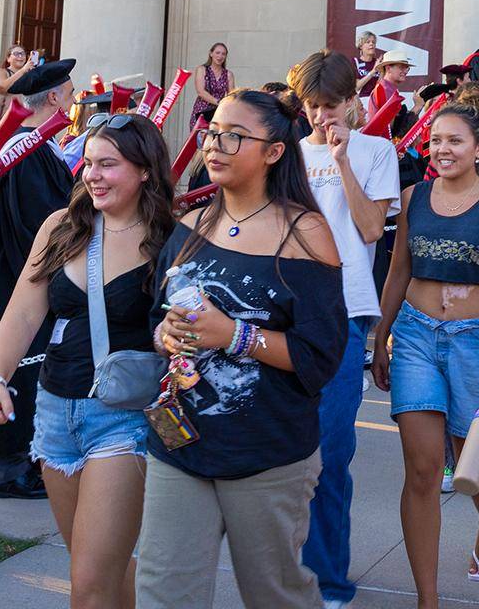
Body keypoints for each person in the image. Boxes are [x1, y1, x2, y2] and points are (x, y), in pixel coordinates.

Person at [138, 89, 346, 609]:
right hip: (179, 443)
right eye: (212, 132)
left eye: (234, 136)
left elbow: (319, 358)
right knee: (163, 593)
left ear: (274, 153)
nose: (215, 145)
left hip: (267, 455)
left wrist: (234, 335)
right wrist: (166, 335)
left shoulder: (306, 234)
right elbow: (155, 318)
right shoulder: (191, 223)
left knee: (274, 595)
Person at [0, 114, 176, 608]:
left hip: (125, 419)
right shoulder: (62, 226)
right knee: (96, 571)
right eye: (88, 162)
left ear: (145, 170)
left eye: (108, 164)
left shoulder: (172, 238)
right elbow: (23, 312)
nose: (93, 175)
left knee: (88, 583)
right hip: (53, 415)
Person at [371, 102, 479, 601]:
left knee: (472, 466)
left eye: (455, 141)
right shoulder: (414, 196)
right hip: (415, 337)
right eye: (436, 140)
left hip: (476, 342)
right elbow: (398, 271)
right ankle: (428, 596)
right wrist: (381, 336)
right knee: (420, 468)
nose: (442, 150)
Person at [289, 49, 400, 607]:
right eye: (311, 106)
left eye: (330, 105)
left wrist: (344, 160)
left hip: (346, 310)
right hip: (285, 309)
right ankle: (287, 570)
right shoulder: (285, 154)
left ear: (354, 101)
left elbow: (371, 228)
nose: (320, 116)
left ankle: (329, 581)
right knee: (284, 452)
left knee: (331, 453)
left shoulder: (378, 150)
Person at [0, 57, 79, 499]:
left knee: (32, 372)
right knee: (18, 370)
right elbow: (39, 221)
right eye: (70, 96)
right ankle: (12, 471)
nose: (73, 104)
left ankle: (28, 461)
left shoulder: (33, 145)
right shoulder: (23, 149)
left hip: (20, 275)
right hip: (19, 277)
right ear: (52, 98)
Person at [192, 42, 234, 126]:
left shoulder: (228, 74)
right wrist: (219, 102)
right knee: (200, 138)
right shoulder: (202, 69)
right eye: (217, 53)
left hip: (219, 115)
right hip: (201, 113)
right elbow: (200, 91)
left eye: (223, 54)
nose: (220, 56)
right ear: (211, 54)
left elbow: (232, 95)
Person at [0, 44, 35, 118]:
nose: (20, 56)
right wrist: (23, 70)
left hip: (25, 119)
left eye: (22, 54)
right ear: (8, 58)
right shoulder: (2, 72)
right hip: (4, 118)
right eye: (16, 54)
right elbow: (2, 86)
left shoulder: (29, 73)